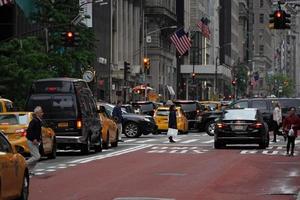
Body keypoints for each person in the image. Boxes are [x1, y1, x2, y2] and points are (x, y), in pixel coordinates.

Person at [26, 106, 43, 174]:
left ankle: (29, 171)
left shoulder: (38, 121)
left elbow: (38, 132)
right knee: (37, 156)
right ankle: (24, 164)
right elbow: (29, 131)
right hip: (31, 141)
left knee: (35, 157)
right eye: (41, 112)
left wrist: (39, 139)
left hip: (35, 142)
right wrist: (34, 139)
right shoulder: (34, 121)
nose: (42, 113)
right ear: (37, 113)